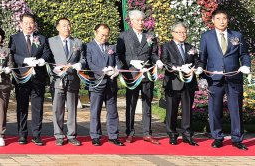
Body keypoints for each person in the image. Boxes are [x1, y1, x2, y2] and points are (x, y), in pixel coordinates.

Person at [199, 8, 251, 150]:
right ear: (213, 20)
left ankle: (237, 139)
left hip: (234, 77)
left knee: (236, 109)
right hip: (214, 78)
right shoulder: (206, 37)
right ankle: (217, 137)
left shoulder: (237, 36)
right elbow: (202, 58)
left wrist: (246, 65)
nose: (222, 21)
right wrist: (201, 75)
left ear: (228, 20)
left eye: (224, 18)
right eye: (218, 18)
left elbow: (244, 54)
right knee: (214, 109)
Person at [116, 9, 163, 144]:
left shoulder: (150, 36)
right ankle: (129, 132)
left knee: (147, 103)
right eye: (137, 20)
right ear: (131, 22)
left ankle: (147, 133)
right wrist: (130, 62)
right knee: (131, 103)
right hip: (132, 74)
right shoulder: (123, 36)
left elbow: (153, 53)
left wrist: (157, 60)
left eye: (142, 20)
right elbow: (119, 54)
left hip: (147, 73)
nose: (141, 22)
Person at [8, 13, 52, 145]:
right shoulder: (14, 38)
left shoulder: (42, 38)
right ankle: (22, 134)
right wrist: (24, 60)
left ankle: (37, 135)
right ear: (20, 24)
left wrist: (42, 60)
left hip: (38, 78)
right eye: (26, 22)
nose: (29, 25)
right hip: (22, 78)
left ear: (34, 24)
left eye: (31, 22)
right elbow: (11, 55)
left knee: (37, 107)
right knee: (22, 107)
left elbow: (47, 53)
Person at [84, 23, 124, 147]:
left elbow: (118, 61)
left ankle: (113, 135)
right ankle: (95, 136)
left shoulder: (111, 47)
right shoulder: (88, 47)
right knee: (95, 111)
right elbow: (89, 64)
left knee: (112, 111)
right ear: (95, 33)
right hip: (96, 83)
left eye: (107, 35)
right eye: (102, 35)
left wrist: (117, 69)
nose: (104, 38)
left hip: (111, 83)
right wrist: (102, 70)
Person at [160, 21, 198, 146]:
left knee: (187, 110)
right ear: (173, 33)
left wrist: (197, 68)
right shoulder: (166, 46)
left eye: (184, 32)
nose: (182, 34)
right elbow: (165, 61)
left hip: (188, 83)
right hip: (173, 82)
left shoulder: (190, 47)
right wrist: (179, 67)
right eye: (179, 32)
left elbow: (197, 61)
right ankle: (172, 134)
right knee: (172, 110)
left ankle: (187, 135)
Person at [48, 17, 83, 146]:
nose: (67, 28)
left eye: (68, 25)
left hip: (72, 78)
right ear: (58, 27)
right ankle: (58, 135)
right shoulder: (51, 41)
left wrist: (79, 64)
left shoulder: (77, 42)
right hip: (58, 79)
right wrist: (53, 69)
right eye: (64, 25)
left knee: (72, 108)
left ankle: (72, 134)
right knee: (57, 108)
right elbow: (47, 59)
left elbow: (83, 59)